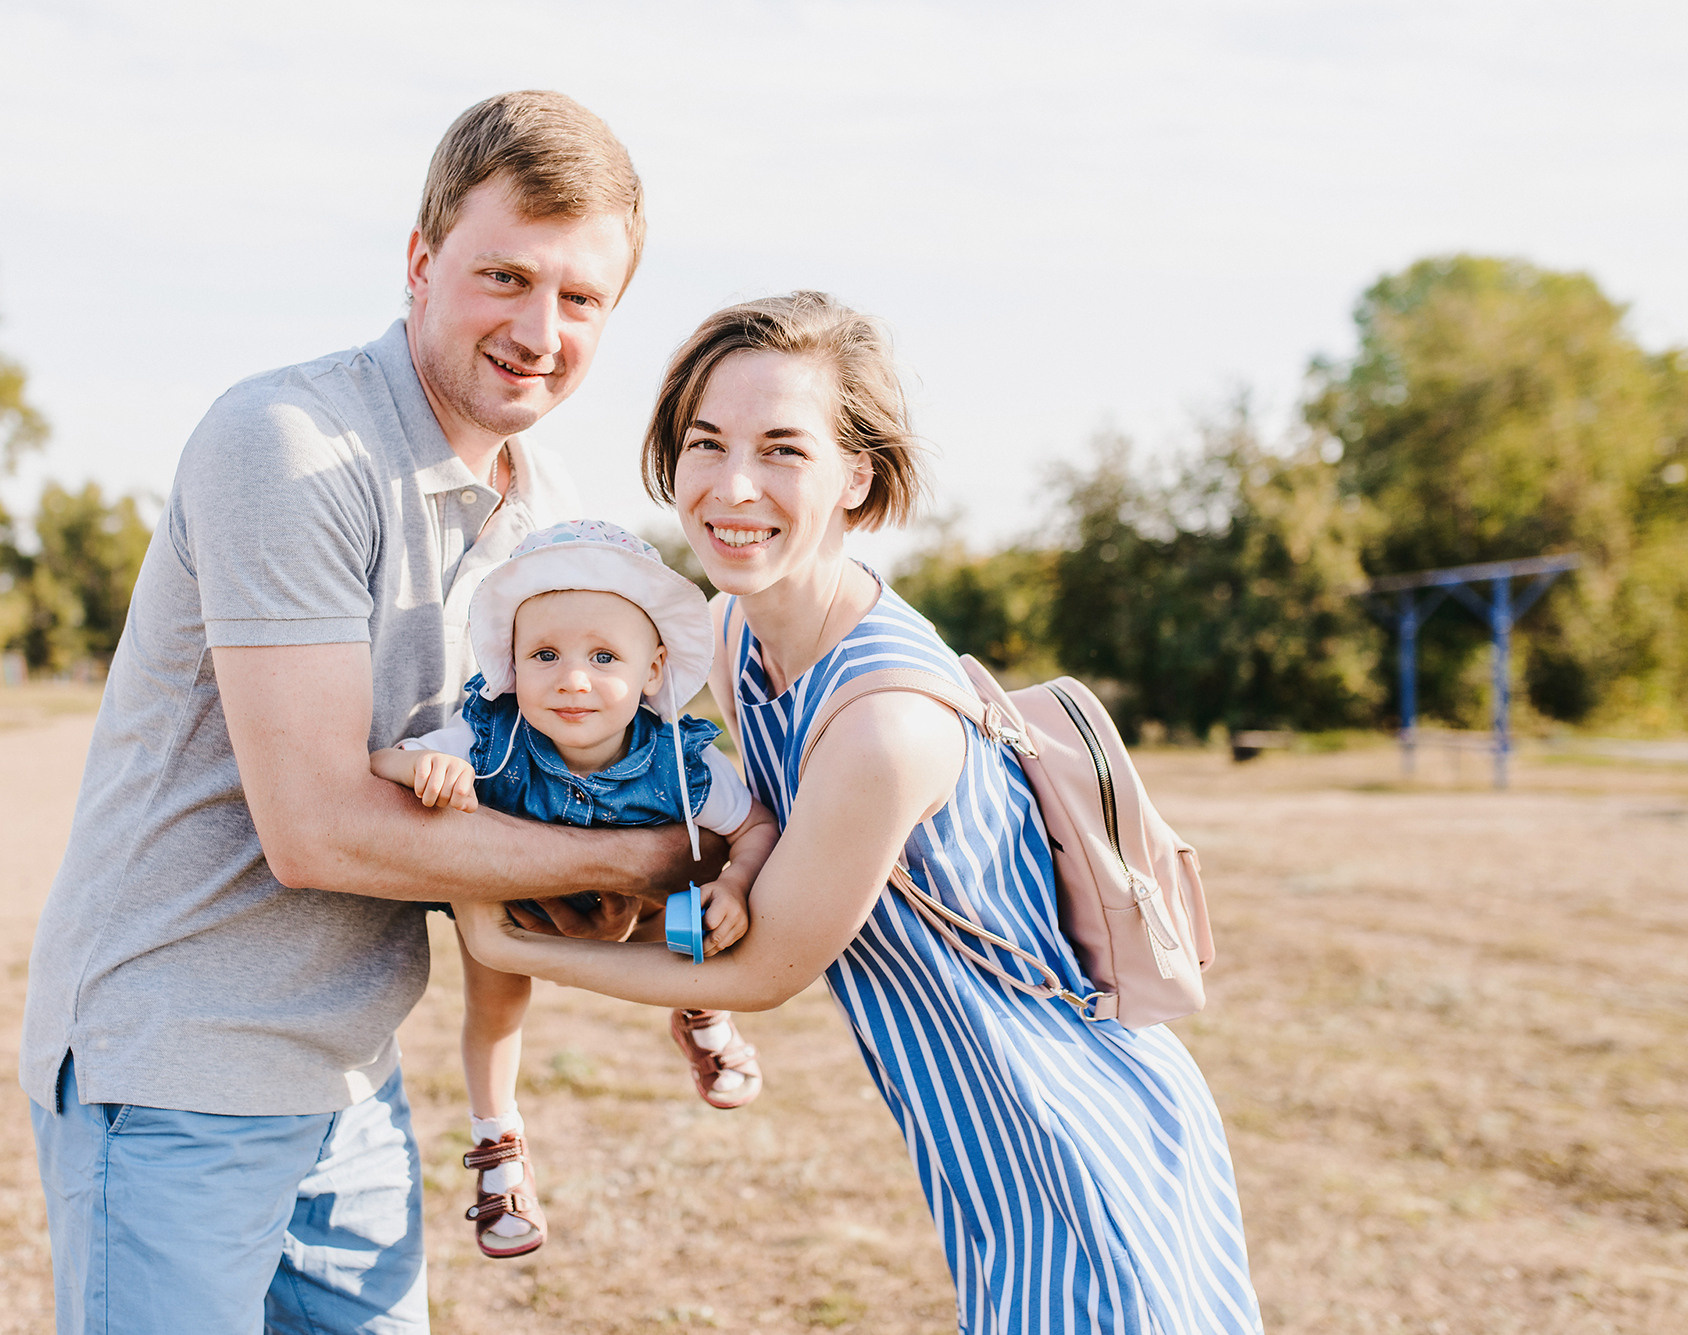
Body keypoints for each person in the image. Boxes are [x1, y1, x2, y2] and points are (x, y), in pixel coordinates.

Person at [19, 92, 719, 1335]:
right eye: (504, 276)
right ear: (418, 260)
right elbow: (319, 831)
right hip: (180, 1066)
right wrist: (651, 859)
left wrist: (628, 890)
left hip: (354, 1073)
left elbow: (518, 781)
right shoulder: (289, 444)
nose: (539, 331)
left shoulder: (550, 507)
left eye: (580, 298)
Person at [456, 292, 1264, 1334]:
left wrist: (506, 940)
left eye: (782, 450)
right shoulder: (737, 637)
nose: (731, 485)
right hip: (985, 1153)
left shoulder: (884, 725)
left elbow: (759, 971)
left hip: (1075, 1140)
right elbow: (729, 829)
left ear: (857, 477)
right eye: (705, 442)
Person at [370, 518, 780, 1259]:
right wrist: (420, 767)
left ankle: (701, 1009)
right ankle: (498, 1146)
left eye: (603, 656)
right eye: (545, 655)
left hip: (643, 902)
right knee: (495, 1004)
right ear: (512, 663)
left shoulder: (679, 762)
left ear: (653, 669)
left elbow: (753, 825)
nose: (573, 679)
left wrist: (740, 882)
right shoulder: (488, 738)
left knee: (689, 908)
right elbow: (384, 761)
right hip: (515, 902)